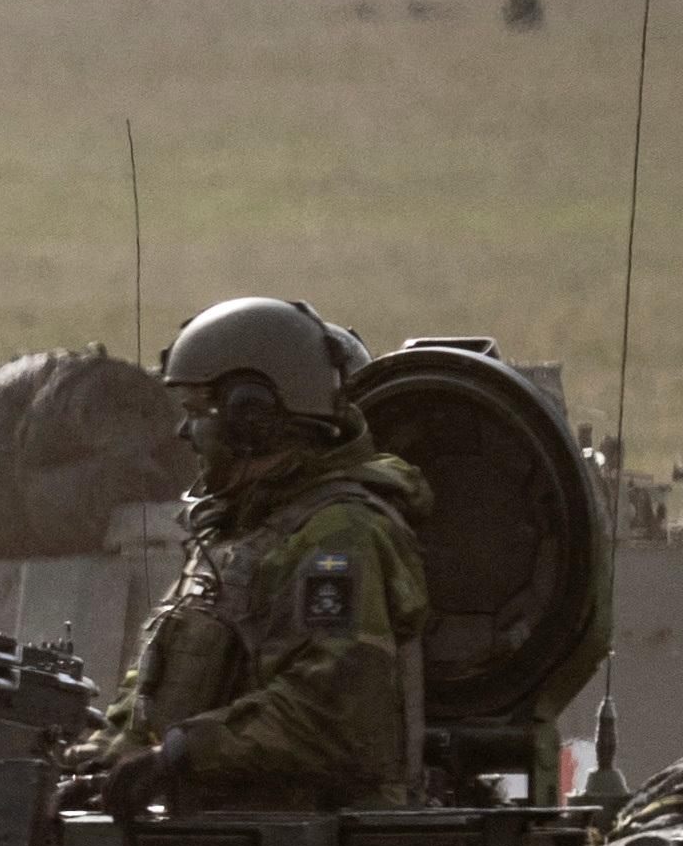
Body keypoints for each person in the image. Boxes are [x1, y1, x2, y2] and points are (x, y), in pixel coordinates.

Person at [80, 295, 427, 811]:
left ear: (254, 420)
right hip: (223, 843)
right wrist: (98, 760)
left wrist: (176, 755)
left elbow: (328, 713)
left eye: (198, 413)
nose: (183, 432)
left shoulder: (338, 536)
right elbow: (150, 697)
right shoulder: (232, 531)